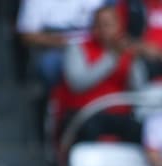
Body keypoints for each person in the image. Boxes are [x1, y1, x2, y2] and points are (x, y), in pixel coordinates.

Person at [58, 5, 146, 144]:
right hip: (85, 114)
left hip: (119, 115)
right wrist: (111, 58)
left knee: (141, 130)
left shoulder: (126, 50)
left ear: (119, 26)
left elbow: (139, 88)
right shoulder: (78, 48)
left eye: (108, 25)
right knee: (90, 130)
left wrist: (134, 62)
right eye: (98, 25)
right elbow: (77, 84)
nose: (103, 29)